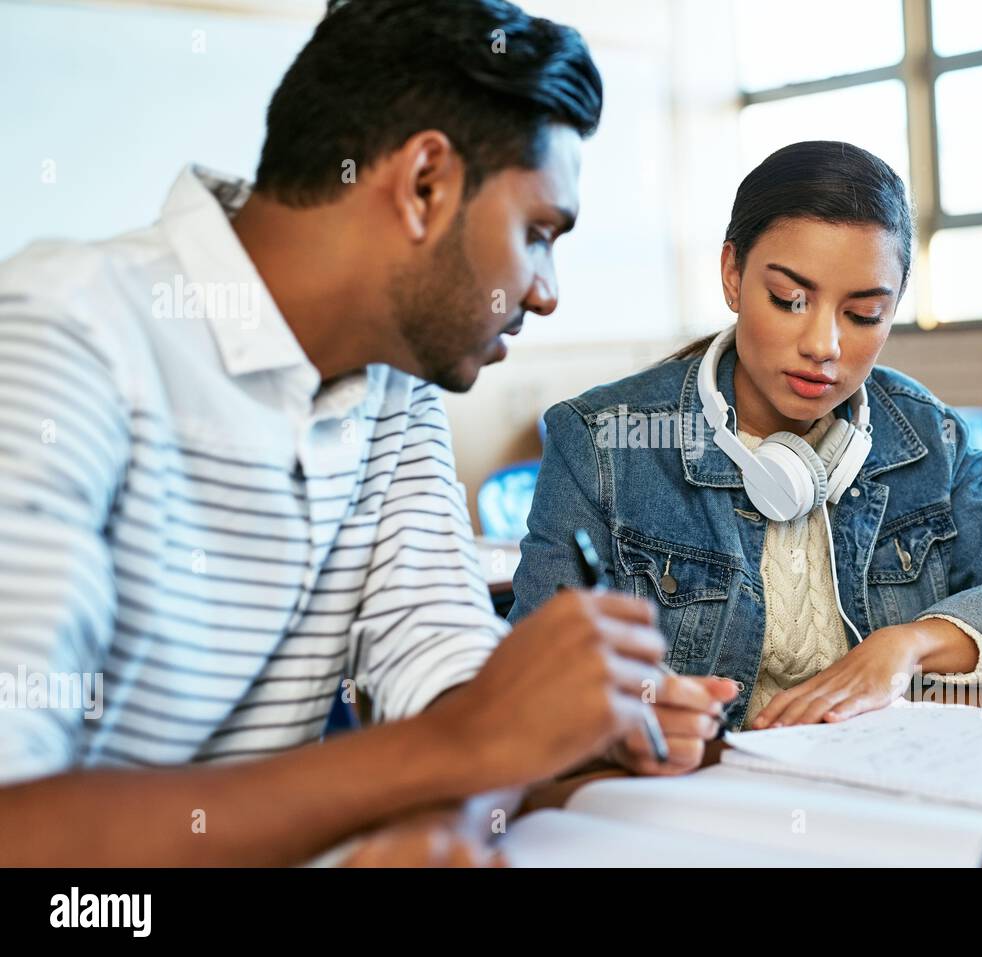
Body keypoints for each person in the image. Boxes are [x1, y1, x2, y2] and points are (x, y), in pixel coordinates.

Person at [0, 0, 711, 866]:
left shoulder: (395, 384)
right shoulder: (64, 333)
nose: (546, 290)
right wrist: (465, 747)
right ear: (424, 185)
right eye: (537, 233)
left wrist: (455, 808)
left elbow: (449, 680)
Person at [509, 141, 982, 775]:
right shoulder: (602, 439)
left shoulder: (928, 437)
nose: (824, 346)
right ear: (733, 274)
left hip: (883, 791)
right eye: (790, 300)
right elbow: (527, 677)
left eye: (864, 314)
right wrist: (629, 715)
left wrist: (906, 647)